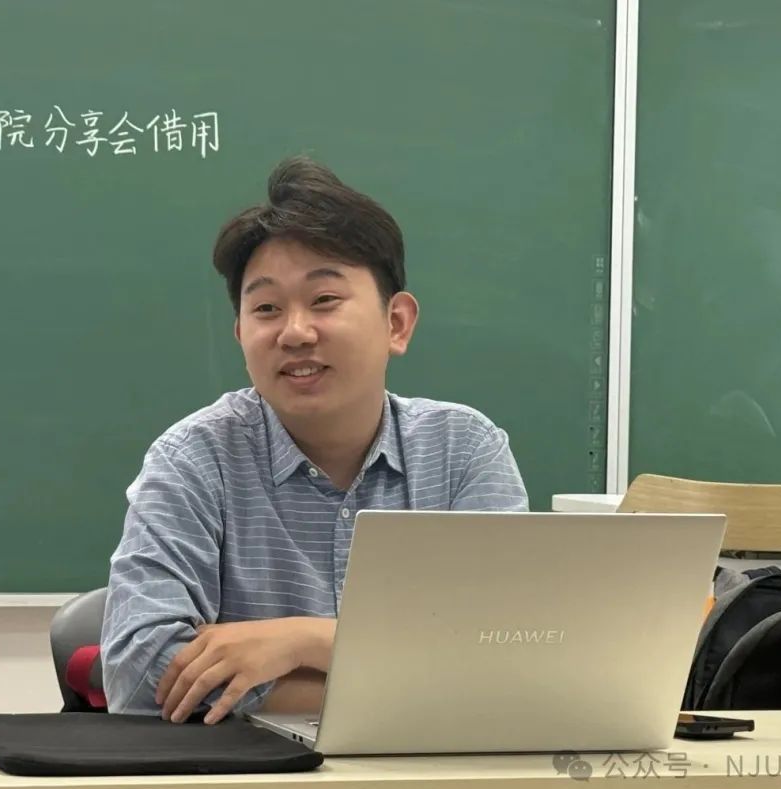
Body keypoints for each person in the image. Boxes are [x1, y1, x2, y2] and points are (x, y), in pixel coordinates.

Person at [100, 156, 528, 725]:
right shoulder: (194, 459)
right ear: (241, 334)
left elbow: (510, 652)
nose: (295, 332)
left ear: (397, 323)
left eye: (324, 300)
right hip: (248, 778)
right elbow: (138, 670)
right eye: (266, 309)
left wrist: (304, 641)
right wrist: (413, 678)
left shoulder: (464, 451)